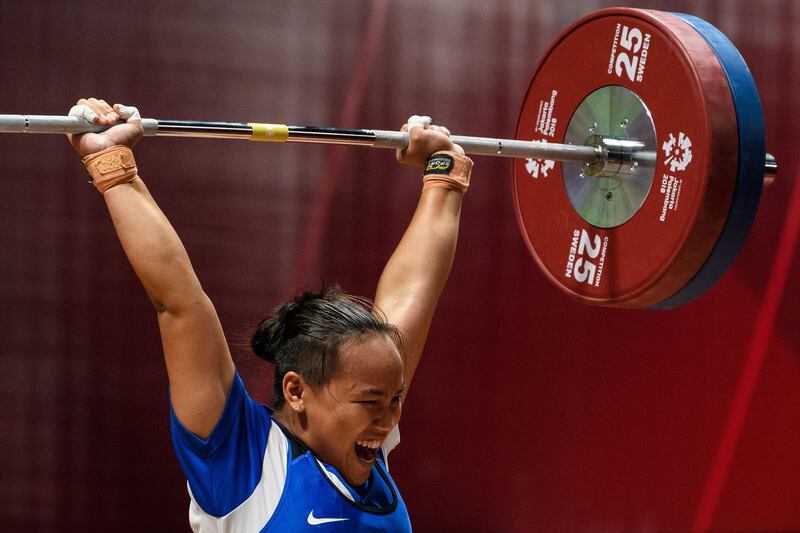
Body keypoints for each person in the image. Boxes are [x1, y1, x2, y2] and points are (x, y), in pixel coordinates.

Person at [67, 98, 472, 531]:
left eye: (394, 399)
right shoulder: (240, 459)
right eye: (373, 401)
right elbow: (180, 304)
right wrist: (111, 164)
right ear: (297, 391)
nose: (391, 418)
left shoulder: (360, 444)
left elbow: (414, 293)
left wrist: (443, 172)